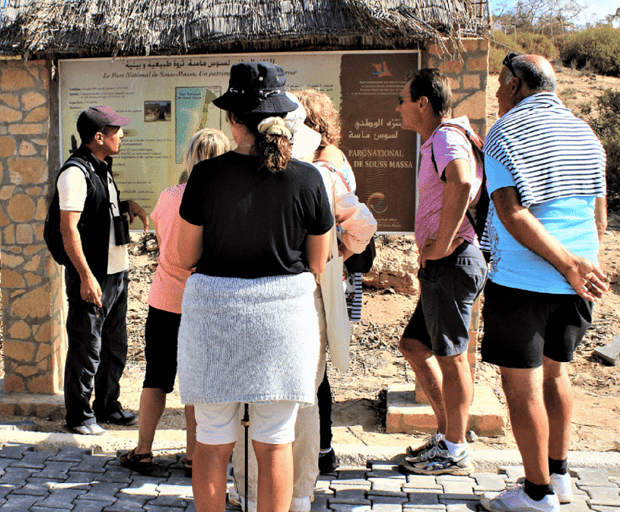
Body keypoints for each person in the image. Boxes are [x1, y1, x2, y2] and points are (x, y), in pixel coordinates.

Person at [176, 61, 334, 512]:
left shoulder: (206, 176)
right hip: (284, 325)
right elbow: (318, 263)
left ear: (233, 119)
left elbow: (186, 256)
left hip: (214, 323)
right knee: (275, 443)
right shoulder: (308, 178)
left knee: (211, 443)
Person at [229, 93, 377, 512]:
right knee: (304, 400)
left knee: (251, 403)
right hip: (305, 299)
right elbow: (363, 223)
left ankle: (254, 493)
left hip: (249, 297)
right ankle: (298, 495)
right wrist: (335, 258)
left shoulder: (237, 174)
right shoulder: (321, 174)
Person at [479, 54, 608, 512]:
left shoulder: (505, 132)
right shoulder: (586, 134)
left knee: (523, 386)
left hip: (522, 281)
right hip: (576, 283)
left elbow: (513, 213)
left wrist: (567, 262)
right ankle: (558, 474)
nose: (496, 94)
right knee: (557, 373)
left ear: (515, 85)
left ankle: (535, 495)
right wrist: (581, 263)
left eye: (499, 84)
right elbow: (599, 213)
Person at [120, 128, 230, 475]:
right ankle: (193, 455)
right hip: (207, 302)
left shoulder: (170, 196)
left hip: (166, 298)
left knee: (156, 378)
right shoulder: (227, 201)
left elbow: (162, 236)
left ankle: (143, 450)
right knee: (196, 384)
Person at [394, 68, 488, 475]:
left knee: (452, 359)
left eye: (402, 99)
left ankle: (454, 449)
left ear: (422, 103)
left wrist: (443, 243)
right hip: (447, 264)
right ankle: (449, 434)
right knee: (415, 346)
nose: (397, 107)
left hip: (452, 262)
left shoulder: (447, 136)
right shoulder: (442, 138)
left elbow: (463, 184)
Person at [50, 105, 149, 435]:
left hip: (115, 273)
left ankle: (107, 407)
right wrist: (86, 276)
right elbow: (69, 228)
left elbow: (97, 211)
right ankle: (79, 416)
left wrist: (126, 206)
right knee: (86, 346)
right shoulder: (75, 173)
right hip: (93, 277)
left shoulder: (101, 167)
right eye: (116, 130)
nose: (122, 134)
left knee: (114, 346)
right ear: (98, 137)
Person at [295, 87, 367, 474]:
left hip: (321, 276)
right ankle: (323, 446)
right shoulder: (334, 157)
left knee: (313, 366)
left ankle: (319, 449)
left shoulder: (320, 168)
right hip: (334, 273)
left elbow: (348, 222)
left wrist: (332, 253)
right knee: (319, 361)